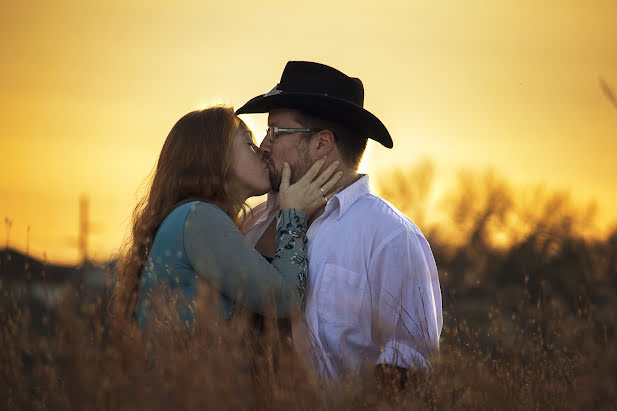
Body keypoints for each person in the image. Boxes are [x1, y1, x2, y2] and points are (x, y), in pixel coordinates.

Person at [237, 61, 443, 384]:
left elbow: (410, 364)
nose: (264, 146)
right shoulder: (254, 222)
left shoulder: (389, 236)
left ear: (322, 143)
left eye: (275, 132)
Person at [112, 106, 342, 332]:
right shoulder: (199, 218)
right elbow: (283, 300)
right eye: (249, 144)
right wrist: (293, 216)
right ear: (215, 155)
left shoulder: (192, 217)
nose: (262, 150)